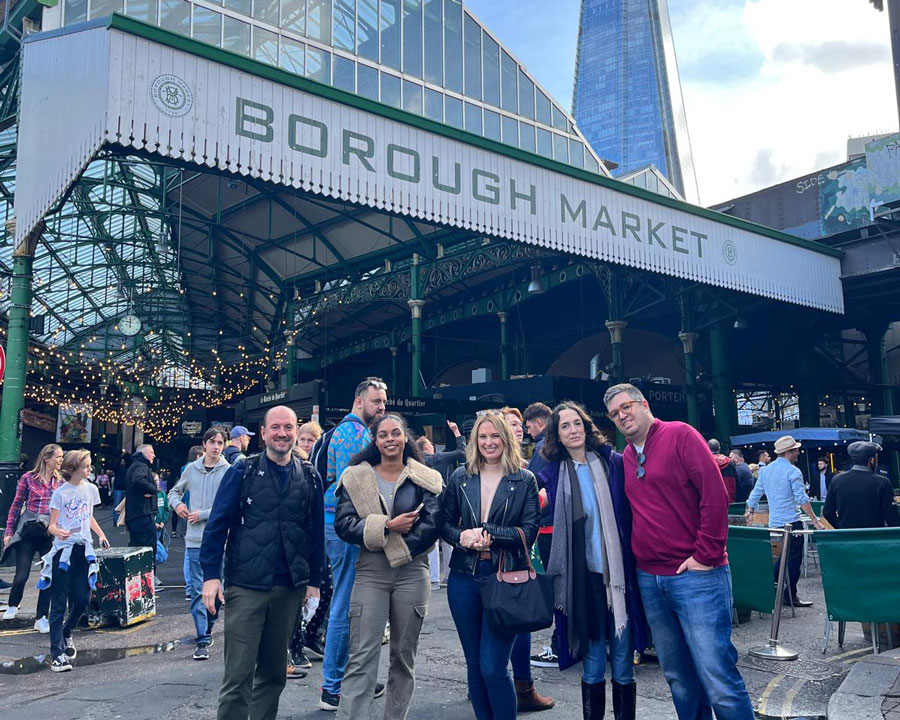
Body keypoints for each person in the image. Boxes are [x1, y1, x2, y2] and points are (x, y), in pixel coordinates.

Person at [603, 383, 754, 720]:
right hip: (650, 578)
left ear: (644, 404)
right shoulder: (627, 456)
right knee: (678, 678)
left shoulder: (681, 435)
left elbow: (714, 496)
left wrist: (705, 555)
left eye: (626, 407)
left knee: (717, 677)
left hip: (697, 576)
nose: (622, 416)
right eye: (615, 414)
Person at [200, 405, 324, 720]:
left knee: (273, 673)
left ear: (296, 432)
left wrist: (314, 581)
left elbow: (315, 532)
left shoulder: (309, 475)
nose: (282, 433)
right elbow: (217, 525)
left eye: (288, 427)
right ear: (264, 433)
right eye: (275, 427)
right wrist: (211, 576)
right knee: (238, 675)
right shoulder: (241, 472)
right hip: (247, 585)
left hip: (289, 588)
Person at [538, 401, 644, 720]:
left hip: (619, 577)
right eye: (565, 426)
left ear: (587, 427)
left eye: (577, 424)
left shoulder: (611, 462)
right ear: (557, 435)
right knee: (595, 661)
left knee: (624, 661)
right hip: (583, 581)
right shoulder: (551, 474)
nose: (573, 431)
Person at [334, 414, 442, 720]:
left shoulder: (426, 477)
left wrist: (399, 548)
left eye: (396, 433)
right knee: (362, 656)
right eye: (383, 435)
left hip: (412, 569)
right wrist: (387, 526)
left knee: (403, 657)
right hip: (370, 571)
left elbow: (432, 524)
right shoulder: (355, 477)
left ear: (405, 437)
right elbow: (344, 524)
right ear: (375, 440)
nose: (390, 439)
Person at [440, 412, 540, 720]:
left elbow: (529, 530)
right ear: (474, 441)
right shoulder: (460, 476)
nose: (488, 442)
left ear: (506, 438)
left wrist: (489, 533)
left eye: (494, 436)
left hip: (505, 579)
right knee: (474, 666)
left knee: (493, 667)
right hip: (464, 579)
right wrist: (463, 536)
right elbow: (444, 525)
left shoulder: (524, 479)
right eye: (482, 437)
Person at [321, 377, 388, 711]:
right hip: (345, 528)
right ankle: (332, 686)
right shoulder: (353, 433)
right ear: (359, 401)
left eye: (384, 403)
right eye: (376, 402)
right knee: (346, 604)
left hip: (340, 525)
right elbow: (358, 488)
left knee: (349, 602)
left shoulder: (353, 431)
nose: (382, 408)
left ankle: (346, 679)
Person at [499, 406, 554, 710]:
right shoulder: (497, 470)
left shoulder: (527, 466)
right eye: (511, 424)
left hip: (521, 552)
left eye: (520, 424)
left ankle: (522, 686)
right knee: (508, 621)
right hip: (499, 556)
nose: (518, 429)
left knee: (519, 621)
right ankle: (504, 685)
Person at [168, 427, 231, 660]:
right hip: (194, 539)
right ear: (204, 444)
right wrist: (178, 505)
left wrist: (202, 514)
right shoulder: (191, 470)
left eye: (220, 443)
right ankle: (202, 637)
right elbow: (174, 491)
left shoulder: (228, 471)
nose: (216, 447)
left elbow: (229, 506)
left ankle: (210, 624)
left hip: (219, 539)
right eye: (212, 442)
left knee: (215, 591)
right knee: (196, 590)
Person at [45, 449, 110, 672]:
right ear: (73, 468)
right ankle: (57, 654)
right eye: (85, 466)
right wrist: (58, 532)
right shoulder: (60, 494)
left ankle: (66, 632)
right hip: (64, 552)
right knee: (59, 602)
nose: (89, 469)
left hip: (84, 550)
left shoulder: (91, 490)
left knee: (82, 599)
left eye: (89, 465)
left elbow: (88, 516)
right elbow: (51, 525)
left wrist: (100, 534)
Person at [745, 435, 824, 608]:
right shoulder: (793, 471)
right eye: (796, 450)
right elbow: (802, 499)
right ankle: (789, 594)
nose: (798, 453)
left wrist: (750, 510)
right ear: (790, 452)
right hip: (791, 522)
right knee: (793, 559)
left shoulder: (765, 471)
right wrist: (814, 521)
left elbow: (756, 493)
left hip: (775, 522)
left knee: (782, 557)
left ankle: (772, 587)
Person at [2, 444, 64, 630]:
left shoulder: (60, 482)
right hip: (28, 531)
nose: (61, 460)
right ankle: (13, 605)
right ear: (47, 458)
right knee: (21, 575)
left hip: (48, 533)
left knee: (47, 576)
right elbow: (15, 506)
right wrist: (8, 533)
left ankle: (41, 618)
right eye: (58, 457)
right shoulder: (28, 478)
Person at [417, 419, 467, 591]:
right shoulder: (439, 458)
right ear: (427, 448)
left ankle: (433, 579)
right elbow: (462, 452)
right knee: (447, 541)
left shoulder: (414, 462)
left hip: (423, 505)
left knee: (431, 541)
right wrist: (456, 433)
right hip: (443, 504)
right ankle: (449, 575)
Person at [824, 441, 900, 529]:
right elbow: (892, 518)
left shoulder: (836, 480)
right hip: (875, 537)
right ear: (872, 460)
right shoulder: (882, 482)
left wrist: (840, 526)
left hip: (846, 537)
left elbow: (827, 512)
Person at [125, 445, 158, 572]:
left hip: (135, 515)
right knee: (147, 550)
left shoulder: (134, 465)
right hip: (142, 515)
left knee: (136, 549)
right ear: (143, 454)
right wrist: (153, 489)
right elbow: (138, 480)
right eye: (151, 452)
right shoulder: (140, 466)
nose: (153, 455)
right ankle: (147, 581)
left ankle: (137, 581)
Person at [523, 403, 552, 478]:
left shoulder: (542, 447)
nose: (528, 432)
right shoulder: (558, 440)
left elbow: (531, 480)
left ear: (538, 423)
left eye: (529, 427)